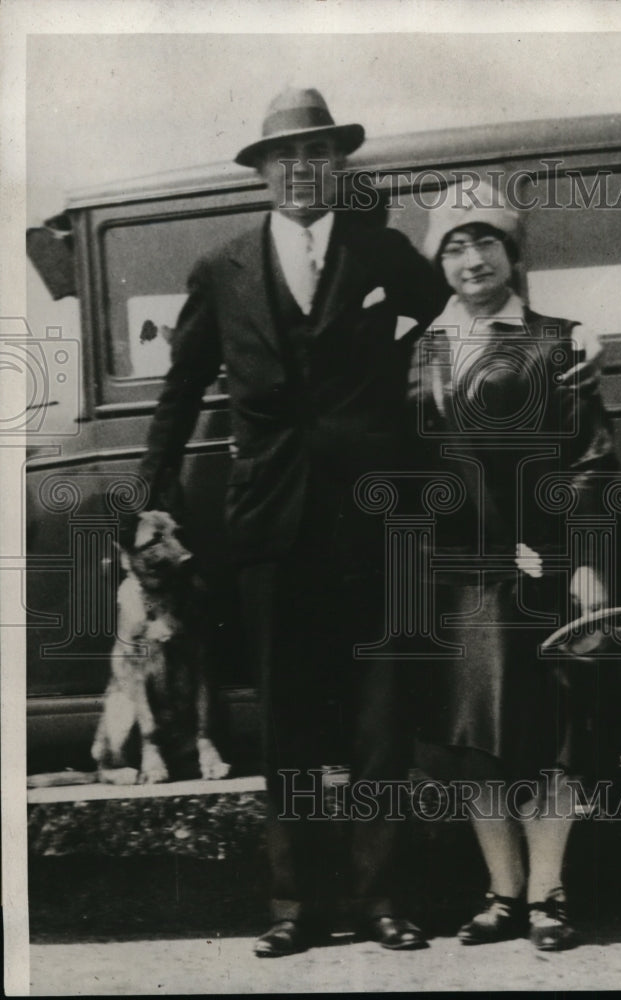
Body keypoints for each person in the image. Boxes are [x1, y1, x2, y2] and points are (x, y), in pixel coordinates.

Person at [138, 87, 448, 956]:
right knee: (291, 725)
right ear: (264, 174)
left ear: (337, 168)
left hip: (382, 520)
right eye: (284, 159)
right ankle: (295, 907)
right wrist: (150, 496)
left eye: (317, 157)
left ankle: (385, 901)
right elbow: (180, 391)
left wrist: (561, 348)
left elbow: (460, 316)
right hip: (274, 523)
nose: (301, 173)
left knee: (384, 727)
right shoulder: (222, 268)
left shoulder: (384, 252)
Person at [407, 180, 620, 951]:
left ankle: (550, 894)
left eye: (485, 241)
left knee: (550, 734)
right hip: (453, 571)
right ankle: (501, 895)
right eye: (455, 246)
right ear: (439, 263)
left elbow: (593, 462)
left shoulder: (558, 340)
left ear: (512, 252)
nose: (471, 258)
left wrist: (576, 560)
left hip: (541, 565)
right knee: (473, 741)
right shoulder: (417, 351)